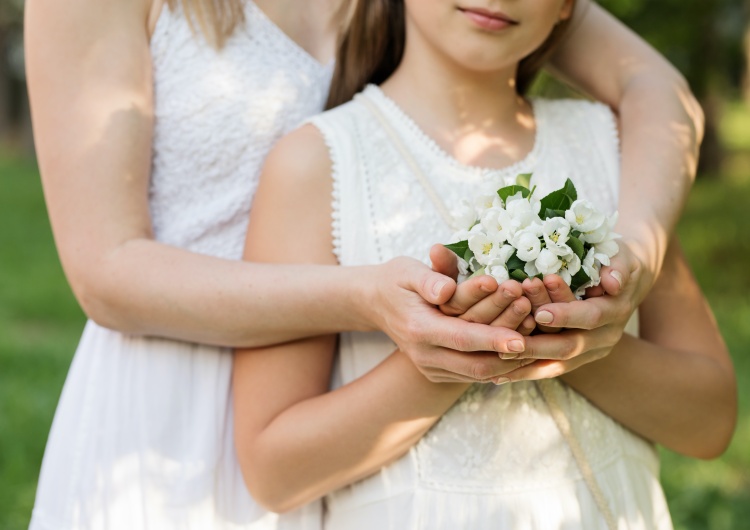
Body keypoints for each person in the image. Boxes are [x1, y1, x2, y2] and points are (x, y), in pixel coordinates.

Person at [25, 0, 704, 527]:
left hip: (347, 404)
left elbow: (657, 90)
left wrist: (632, 260)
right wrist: (372, 301)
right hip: (170, 409)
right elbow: (105, 271)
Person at [232, 0, 736, 528]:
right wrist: (459, 349)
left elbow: (710, 421)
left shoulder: (618, 150)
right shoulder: (317, 163)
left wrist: (575, 334)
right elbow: (274, 473)